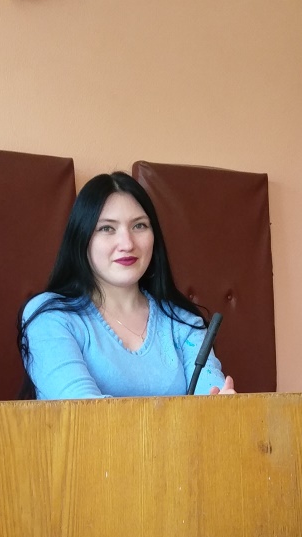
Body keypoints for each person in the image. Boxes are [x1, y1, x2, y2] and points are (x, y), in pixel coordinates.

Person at [18, 171, 236, 400]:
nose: (127, 243)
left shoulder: (183, 322)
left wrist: (223, 406)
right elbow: (82, 413)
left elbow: (210, 397)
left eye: (139, 226)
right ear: (82, 238)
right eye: (107, 228)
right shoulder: (51, 316)